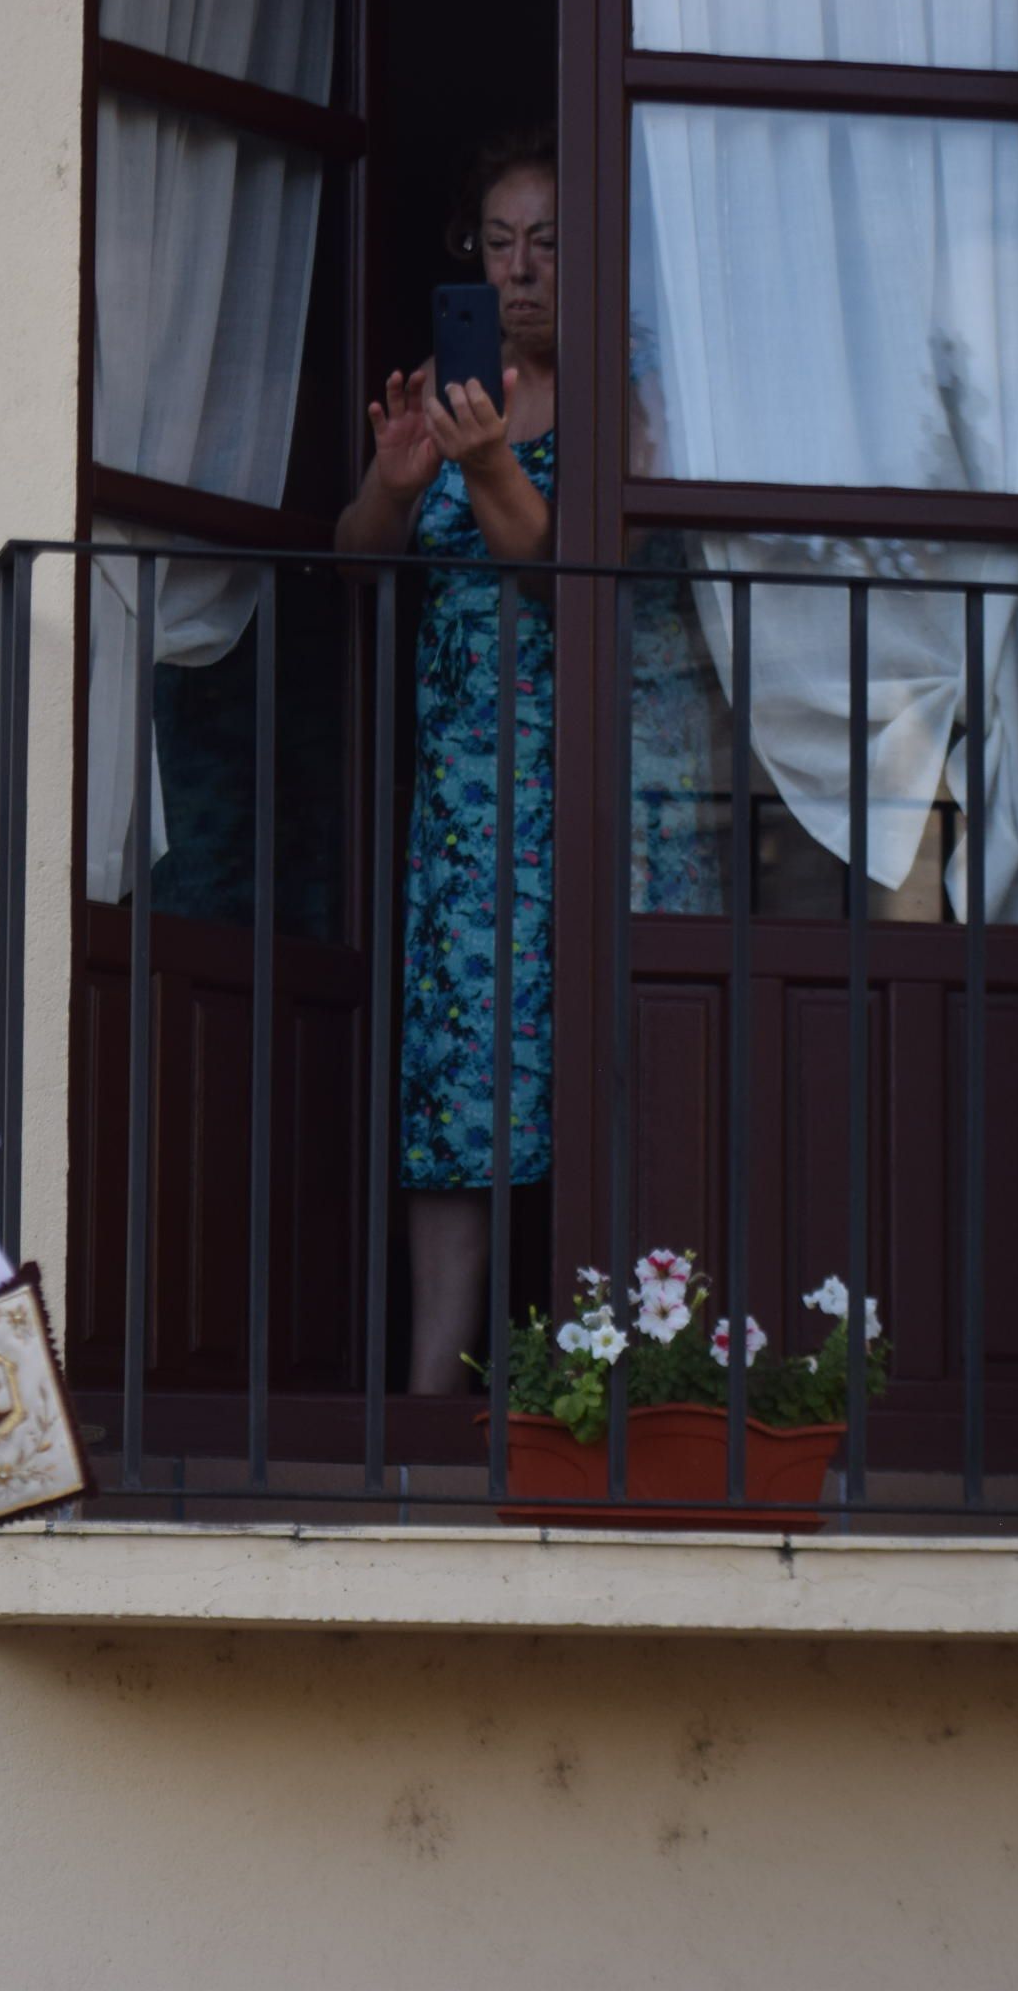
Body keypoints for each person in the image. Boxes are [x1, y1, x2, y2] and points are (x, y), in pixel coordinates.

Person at [335, 127, 564, 1398]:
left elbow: (552, 564)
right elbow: (360, 556)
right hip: (467, 796)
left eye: (548, 243)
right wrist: (392, 474)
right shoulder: (448, 384)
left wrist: (487, 468)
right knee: (456, 1077)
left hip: (591, 787)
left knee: (589, 1063)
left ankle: (601, 1369)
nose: (521, 270)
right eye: (499, 243)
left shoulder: (639, 397)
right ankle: (434, 1384)